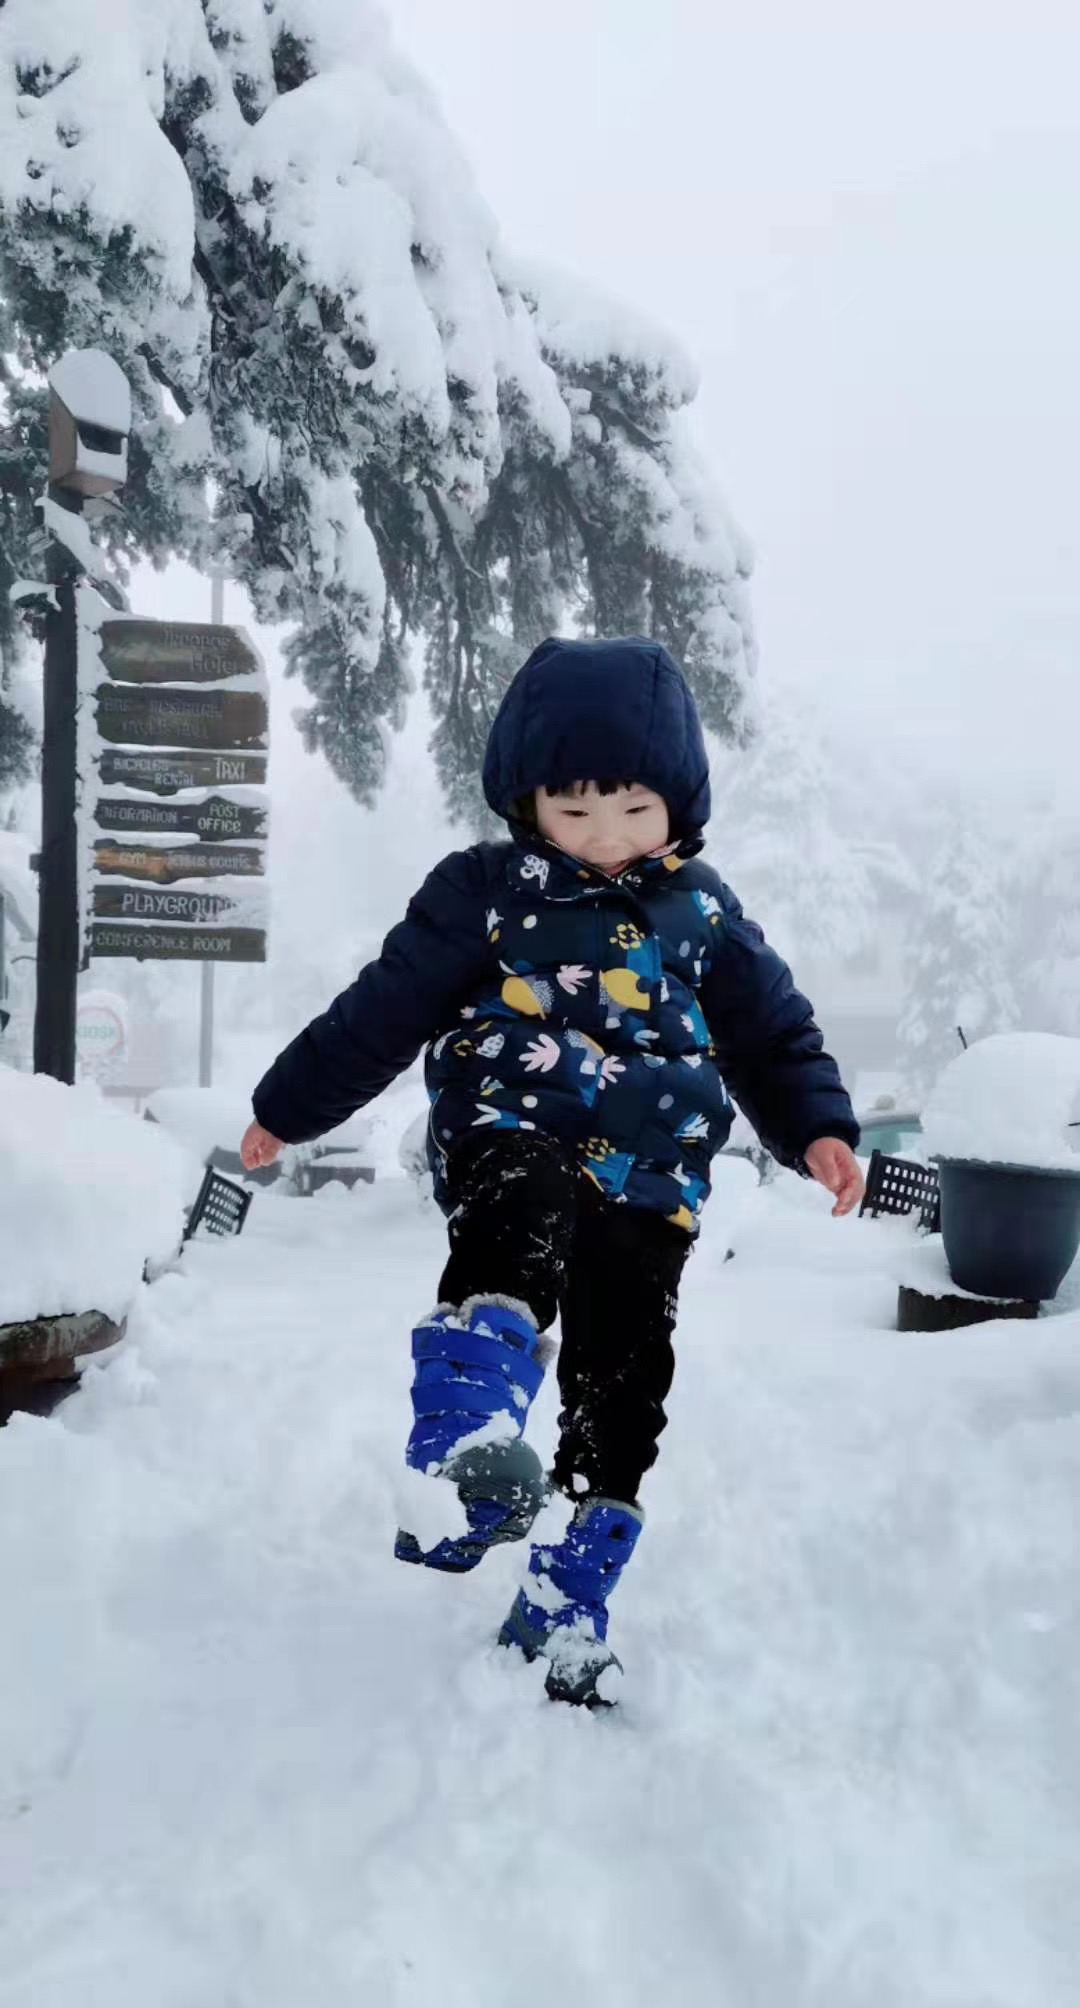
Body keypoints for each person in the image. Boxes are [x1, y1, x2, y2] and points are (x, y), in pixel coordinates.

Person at [242, 636, 863, 1707]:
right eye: (575, 814)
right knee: (517, 1215)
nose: (608, 839)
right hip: (511, 1120)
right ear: (527, 803)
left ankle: (567, 1599)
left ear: (678, 804)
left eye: (634, 811)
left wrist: (817, 1125)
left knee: (624, 1377)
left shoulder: (703, 914)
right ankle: (463, 1440)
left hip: (653, 1181)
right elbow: (380, 1009)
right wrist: (286, 1109)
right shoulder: (486, 892)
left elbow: (770, 1032)